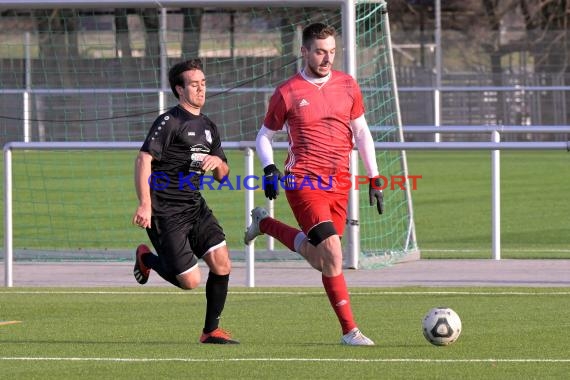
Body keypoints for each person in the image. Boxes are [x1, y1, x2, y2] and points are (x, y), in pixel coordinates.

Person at [244, 23, 384, 346]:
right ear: (304, 51)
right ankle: (350, 331)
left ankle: (264, 223)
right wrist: (268, 168)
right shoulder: (288, 92)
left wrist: (374, 177)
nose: (327, 58)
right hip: (303, 181)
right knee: (334, 252)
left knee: (323, 260)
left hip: (339, 184)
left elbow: (362, 133)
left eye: (332, 51)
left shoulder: (348, 85)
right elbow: (264, 136)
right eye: (320, 51)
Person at [132, 58, 238, 344]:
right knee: (190, 282)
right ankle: (147, 258)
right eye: (194, 84)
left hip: (194, 205)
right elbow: (143, 159)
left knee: (222, 263)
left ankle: (211, 330)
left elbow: (223, 175)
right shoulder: (170, 121)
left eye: (203, 83)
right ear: (180, 90)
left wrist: (218, 163)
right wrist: (145, 204)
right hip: (165, 210)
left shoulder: (208, 126)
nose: (201, 89)